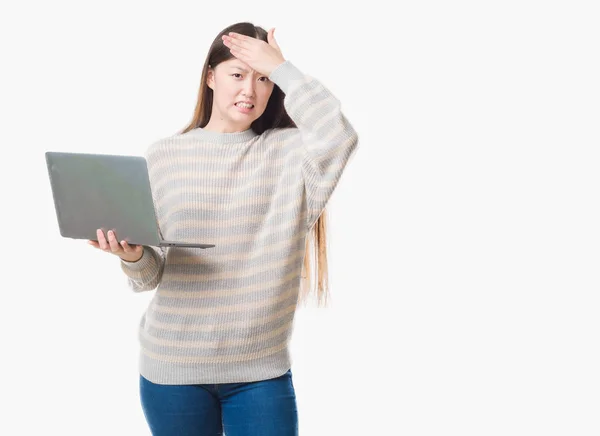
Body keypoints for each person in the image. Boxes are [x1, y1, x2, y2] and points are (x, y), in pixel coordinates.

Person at [88, 21, 359, 436]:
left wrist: (282, 66)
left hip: (260, 372)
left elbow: (338, 134)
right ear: (211, 77)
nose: (250, 90)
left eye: (263, 79)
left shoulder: (292, 154)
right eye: (237, 74)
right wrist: (133, 256)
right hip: (172, 368)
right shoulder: (165, 156)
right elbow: (151, 274)